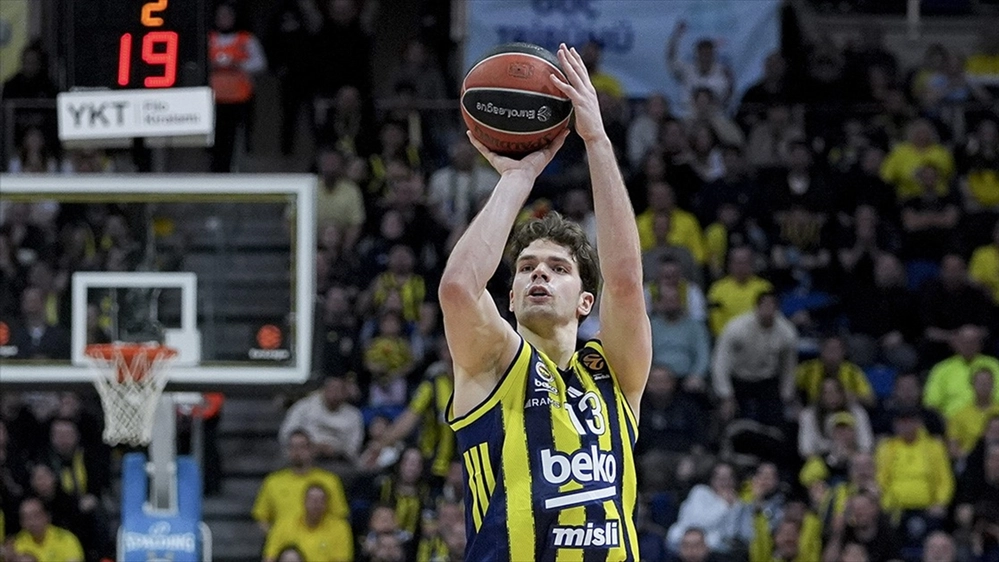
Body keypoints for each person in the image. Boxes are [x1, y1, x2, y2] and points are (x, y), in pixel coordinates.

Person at [438, 44, 651, 560]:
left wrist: (596, 140)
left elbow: (625, 282)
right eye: (527, 267)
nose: (539, 273)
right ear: (510, 298)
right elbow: (459, 288)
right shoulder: (493, 363)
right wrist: (517, 180)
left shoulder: (613, 375)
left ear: (585, 301)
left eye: (558, 269)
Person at [252, 429, 350, 534]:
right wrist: (275, 537)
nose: (297, 451)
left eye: (302, 447)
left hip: (319, 540)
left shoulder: (329, 480)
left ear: (311, 449)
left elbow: (339, 516)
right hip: (285, 541)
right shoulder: (273, 481)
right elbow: (261, 516)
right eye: (293, 447)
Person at [207, 2, 266, 172]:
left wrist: (238, 65)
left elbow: (260, 63)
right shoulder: (209, 39)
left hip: (240, 99)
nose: (224, 19)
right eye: (220, 15)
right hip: (215, 100)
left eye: (227, 15)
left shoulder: (246, 39)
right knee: (217, 141)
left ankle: (238, 171)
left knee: (238, 139)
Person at [262, 484, 353, 562]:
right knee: (290, 556)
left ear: (326, 504)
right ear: (304, 501)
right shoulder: (283, 524)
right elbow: (270, 557)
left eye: (320, 500)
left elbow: (342, 559)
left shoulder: (340, 527)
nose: (316, 504)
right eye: (312, 500)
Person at [11, 497, 85, 562]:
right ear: (21, 522)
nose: (32, 522)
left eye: (36, 515)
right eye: (26, 517)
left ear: (47, 516)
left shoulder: (66, 539)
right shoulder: (16, 543)